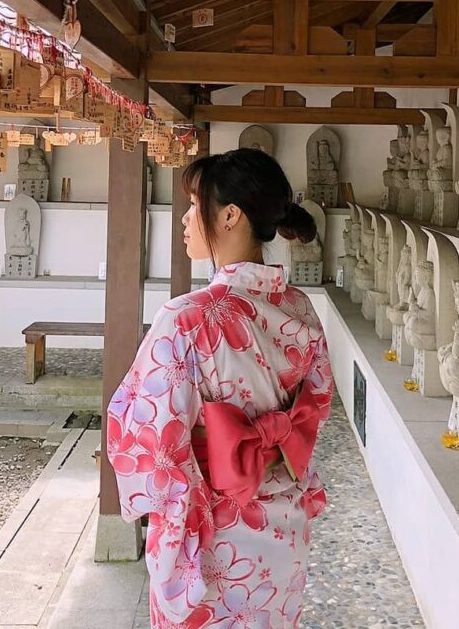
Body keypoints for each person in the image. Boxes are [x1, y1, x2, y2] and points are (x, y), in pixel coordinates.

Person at [107, 148, 334, 629]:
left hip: (214, 533)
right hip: (283, 526)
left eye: (194, 205)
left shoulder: (186, 319)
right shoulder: (300, 310)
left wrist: (174, 527)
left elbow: (148, 435)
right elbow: (316, 404)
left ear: (230, 215)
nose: (186, 219)